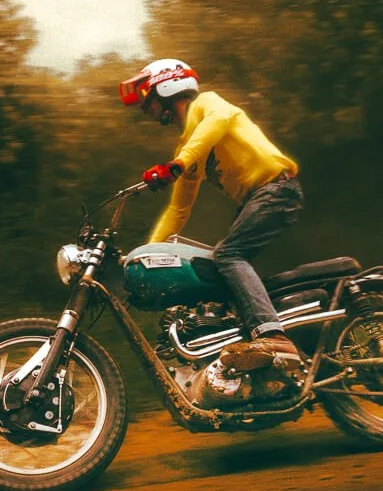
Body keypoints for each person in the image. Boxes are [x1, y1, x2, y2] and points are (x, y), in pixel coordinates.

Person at [119, 58, 304, 378]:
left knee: (228, 254)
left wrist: (178, 163)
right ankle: (253, 341)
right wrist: (145, 256)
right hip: (259, 198)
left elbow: (217, 121)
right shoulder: (189, 146)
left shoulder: (207, 104)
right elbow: (177, 211)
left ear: (166, 87)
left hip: (276, 188)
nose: (145, 109)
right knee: (219, 266)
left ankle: (274, 337)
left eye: (147, 100)